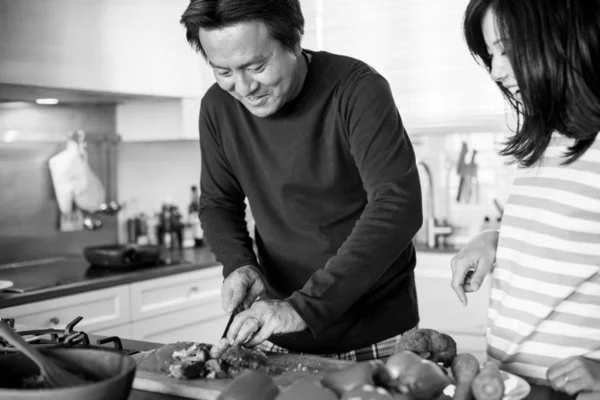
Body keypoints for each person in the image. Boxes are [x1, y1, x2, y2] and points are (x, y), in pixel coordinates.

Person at [178, 0, 423, 361]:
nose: (244, 88)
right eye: (224, 71)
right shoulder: (216, 107)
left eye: (257, 66)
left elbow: (397, 205)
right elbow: (218, 203)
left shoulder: (357, 90)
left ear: (294, 42)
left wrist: (303, 308)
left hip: (377, 335)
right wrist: (239, 263)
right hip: (277, 329)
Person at [451, 0, 600, 396]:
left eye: (508, 49)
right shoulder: (549, 141)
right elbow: (574, 241)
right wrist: (498, 240)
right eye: (492, 53)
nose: (497, 70)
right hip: (512, 384)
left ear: (562, 38)